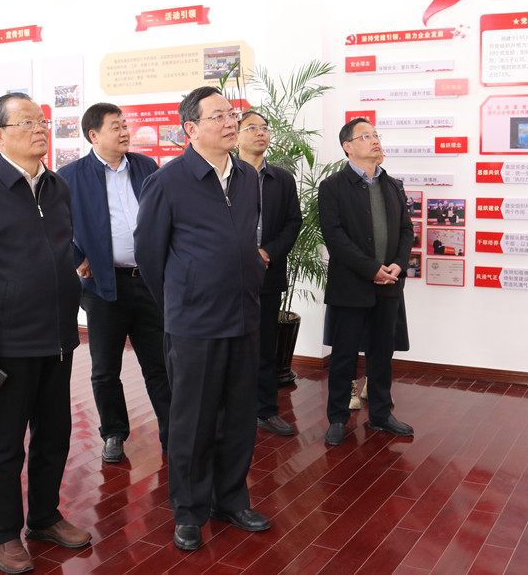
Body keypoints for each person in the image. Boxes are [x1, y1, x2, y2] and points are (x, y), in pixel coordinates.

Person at [0, 93, 91, 574]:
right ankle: (4, 534)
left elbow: (61, 252)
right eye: (26, 122)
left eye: (41, 121)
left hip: (57, 339)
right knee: (5, 445)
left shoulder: (57, 187)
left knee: (55, 436)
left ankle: (44, 517)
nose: (39, 128)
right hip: (5, 347)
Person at [135, 87, 269, 551]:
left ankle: (230, 499)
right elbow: (149, 256)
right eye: (218, 116)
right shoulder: (167, 182)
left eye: (232, 114)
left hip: (244, 316)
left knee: (240, 416)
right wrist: (181, 300)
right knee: (192, 422)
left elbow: (248, 238)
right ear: (190, 128)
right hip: (194, 323)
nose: (231, 123)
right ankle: (189, 512)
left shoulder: (248, 176)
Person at [57, 102, 170, 463]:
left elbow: (165, 216)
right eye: (115, 127)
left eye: (125, 125)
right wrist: (78, 258)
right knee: (105, 369)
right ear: (94, 135)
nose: (125, 132)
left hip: (148, 282)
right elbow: (56, 228)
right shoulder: (70, 176)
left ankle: (173, 431)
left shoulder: (146, 167)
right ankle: (114, 433)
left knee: (160, 364)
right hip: (103, 287)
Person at [318, 118, 415, 446]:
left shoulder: (393, 185)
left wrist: (398, 264)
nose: (374, 140)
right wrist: (371, 268)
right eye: (365, 136)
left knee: (382, 352)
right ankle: (337, 418)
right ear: (348, 146)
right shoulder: (332, 186)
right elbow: (334, 237)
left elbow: (406, 230)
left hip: (389, 284)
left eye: (375, 135)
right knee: (344, 354)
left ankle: (381, 414)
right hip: (351, 285)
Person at [235, 110, 302, 437]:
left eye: (264, 128)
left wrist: (268, 252)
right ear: (236, 135)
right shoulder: (223, 175)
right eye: (251, 128)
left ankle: (266, 410)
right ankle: (228, 412)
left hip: (267, 273)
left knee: (264, 347)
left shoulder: (282, 179)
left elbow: (293, 222)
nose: (260, 133)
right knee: (228, 346)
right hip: (228, 276)